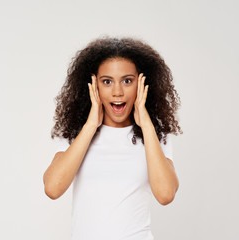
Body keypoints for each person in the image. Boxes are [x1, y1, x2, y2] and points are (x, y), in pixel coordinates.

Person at [43, 36, 183, 240]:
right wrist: (91, 125)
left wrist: (147, 126)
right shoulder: (77, 134)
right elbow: (52, 188)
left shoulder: (154, 135)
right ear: (94, 85)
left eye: (127, 81)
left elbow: (165, 194)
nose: (117, 92)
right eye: (107, 82)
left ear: (142, 84)